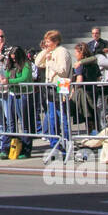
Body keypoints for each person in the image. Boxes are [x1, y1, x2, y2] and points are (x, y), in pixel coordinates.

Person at [35, 30, 73, 162]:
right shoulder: (50, 52)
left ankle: (66, 143)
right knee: (52, 117)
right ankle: (54, 144)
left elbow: (62, 70)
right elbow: (38, 63)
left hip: (61, 86)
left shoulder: (62, 51)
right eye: (45, 41)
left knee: (61, 116)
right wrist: (45, 52)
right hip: (50, 88)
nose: (46, 43)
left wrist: (50, 62)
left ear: (56, 41)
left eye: (49, 41)